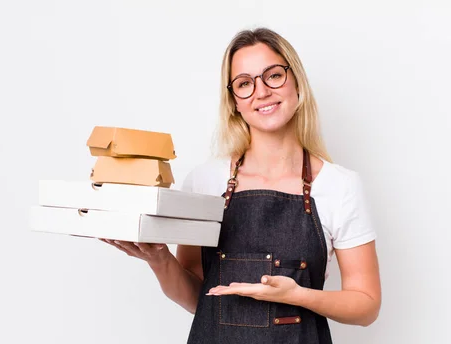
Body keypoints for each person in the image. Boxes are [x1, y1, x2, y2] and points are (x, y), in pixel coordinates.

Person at [100, 27, 381, 343]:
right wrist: (160, 259)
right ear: (233, 100)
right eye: (245, 84)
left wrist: (298, 295)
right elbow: (199, 299)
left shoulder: (339, 186)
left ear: (297, 83)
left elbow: (366, 305)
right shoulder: (205, 182)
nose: (261, 92)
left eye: (273, 76)